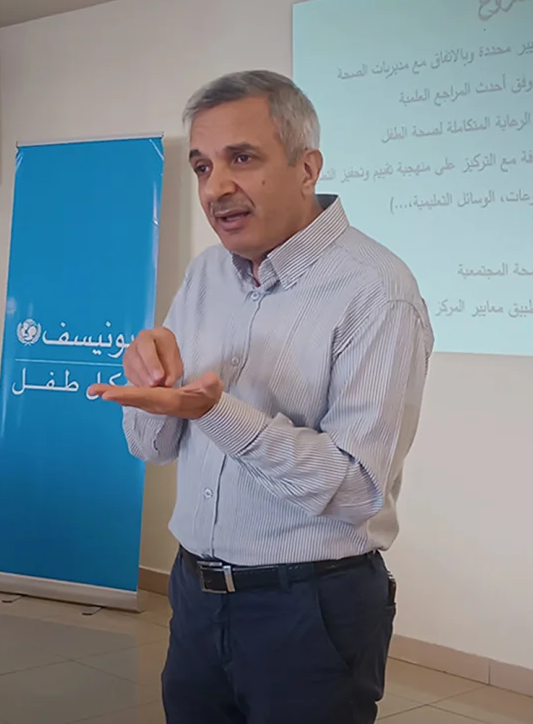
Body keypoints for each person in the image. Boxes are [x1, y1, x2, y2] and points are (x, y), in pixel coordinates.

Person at [87, 70, 434, 724]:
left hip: (310, 607)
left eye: (241, 159)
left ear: (307, 168)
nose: (215, 188)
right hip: (196, 595)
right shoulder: (206, 273)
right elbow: (152, 447)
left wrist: (218, 414)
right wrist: (150, 390)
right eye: (202, 166)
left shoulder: (377, 291)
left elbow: (357, 488)